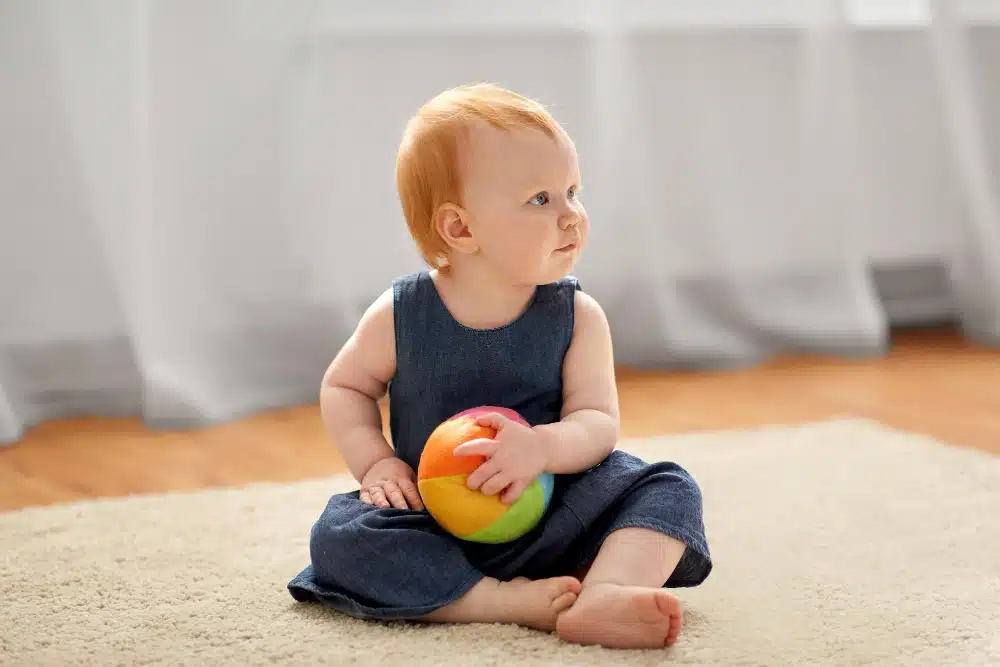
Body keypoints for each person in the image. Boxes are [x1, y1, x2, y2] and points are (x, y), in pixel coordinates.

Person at [288, 83, 712, 649]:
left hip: (557, 510)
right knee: (339, 536)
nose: (571, 216)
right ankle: (484, 598)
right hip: (434, 518)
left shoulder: (577, 316)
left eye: (572, 191)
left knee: (668, 487)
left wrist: (540, 447)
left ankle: (605, 592)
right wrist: (377, 466)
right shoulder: (401, 314)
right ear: (461, 229)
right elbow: (345, 386)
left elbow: (597, 423)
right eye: (541, 199)